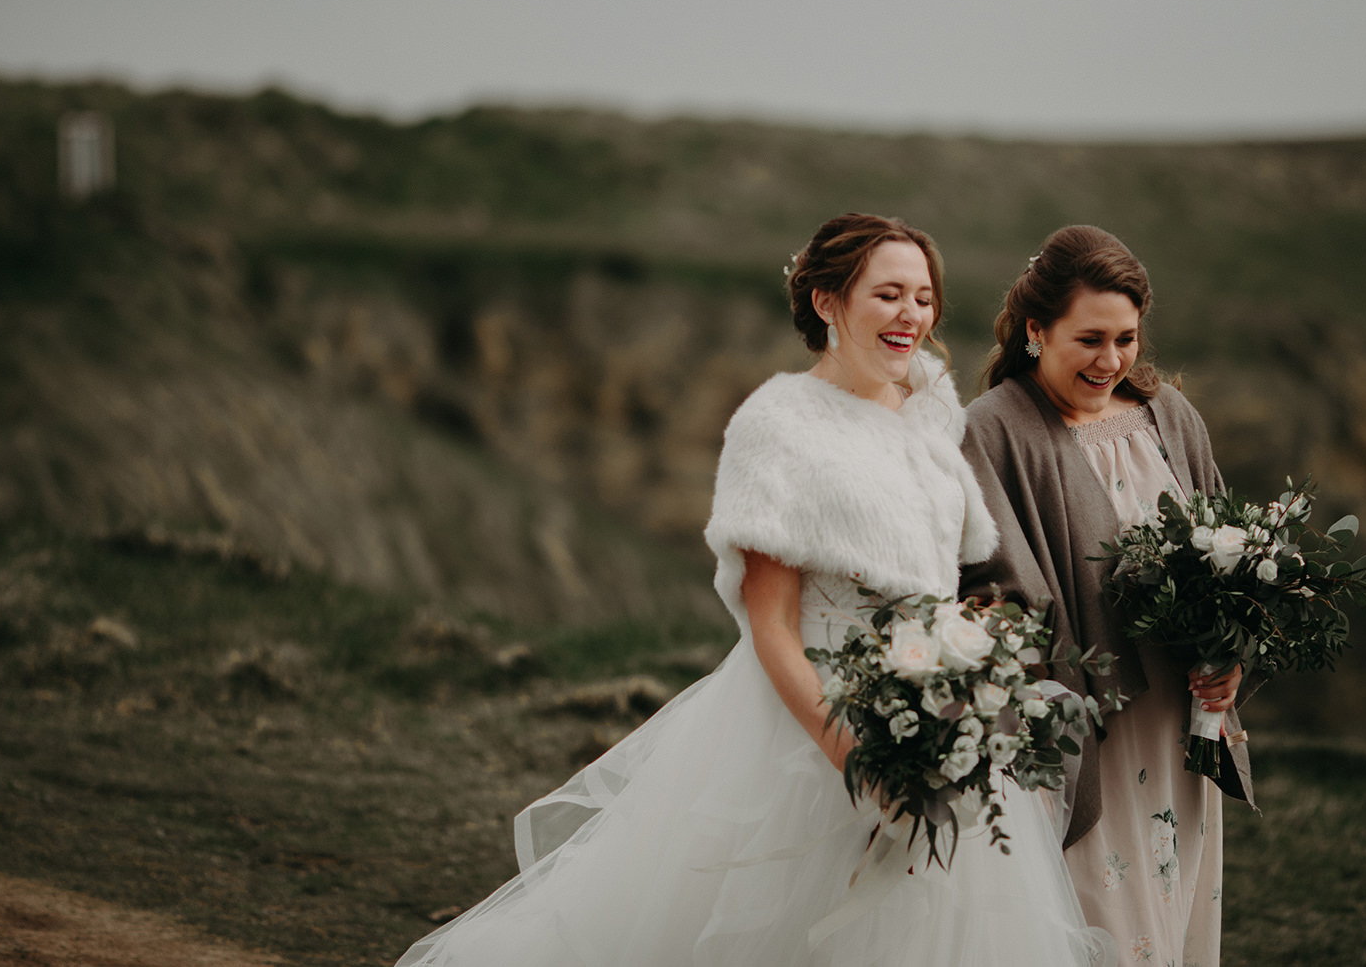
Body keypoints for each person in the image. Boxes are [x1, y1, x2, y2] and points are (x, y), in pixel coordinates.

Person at [396, 213, 1112, 967]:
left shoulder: (933, 406)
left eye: (924, 297)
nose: (912, 316)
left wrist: (968, 675)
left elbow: (950, 574)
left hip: (937, 708)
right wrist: (859, 763)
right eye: (889, 294)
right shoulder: (778, 427)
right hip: (808, 726)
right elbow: (769, 624)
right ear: (829, 302)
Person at [959, 224, 1253, 967]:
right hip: (1090, 730)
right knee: (1108, 933)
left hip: (1182, 725)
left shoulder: (1170, 418)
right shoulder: (993, 433)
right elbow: (985, 586)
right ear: (1035, 329)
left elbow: (1236, 556)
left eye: (1126, 338)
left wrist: (1231, 654)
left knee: (1175, 920)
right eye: (1089, 339)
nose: (1111, 360)